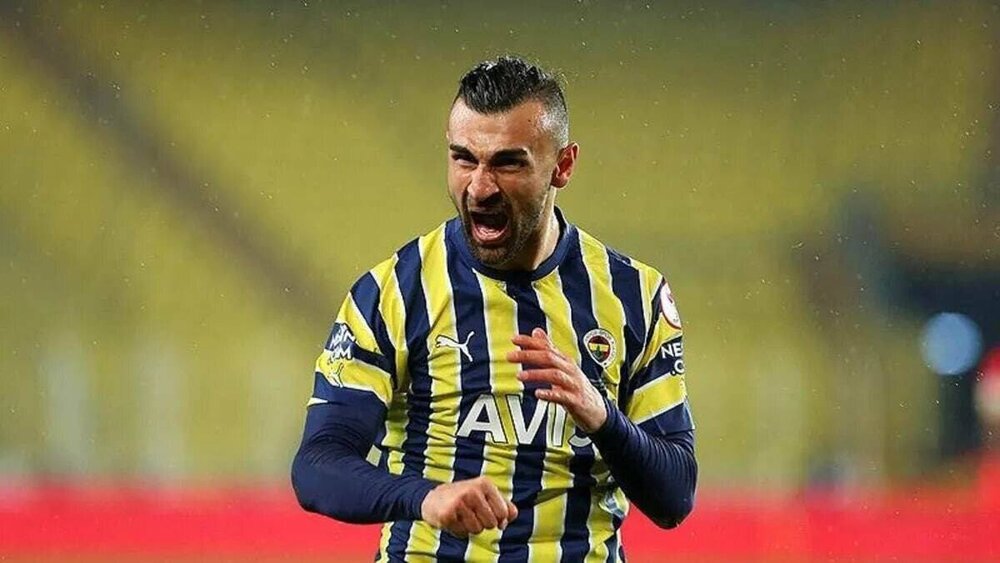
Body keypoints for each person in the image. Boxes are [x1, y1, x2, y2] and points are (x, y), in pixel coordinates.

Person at [291, 55, 697, 562]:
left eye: (508, 163)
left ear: (563, 166)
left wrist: (602, 417)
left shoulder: (634, 294)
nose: (480, 188)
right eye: (464, 159)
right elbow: (318, 465)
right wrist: (426, 497)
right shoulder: (395, 291)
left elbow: (674, 496)